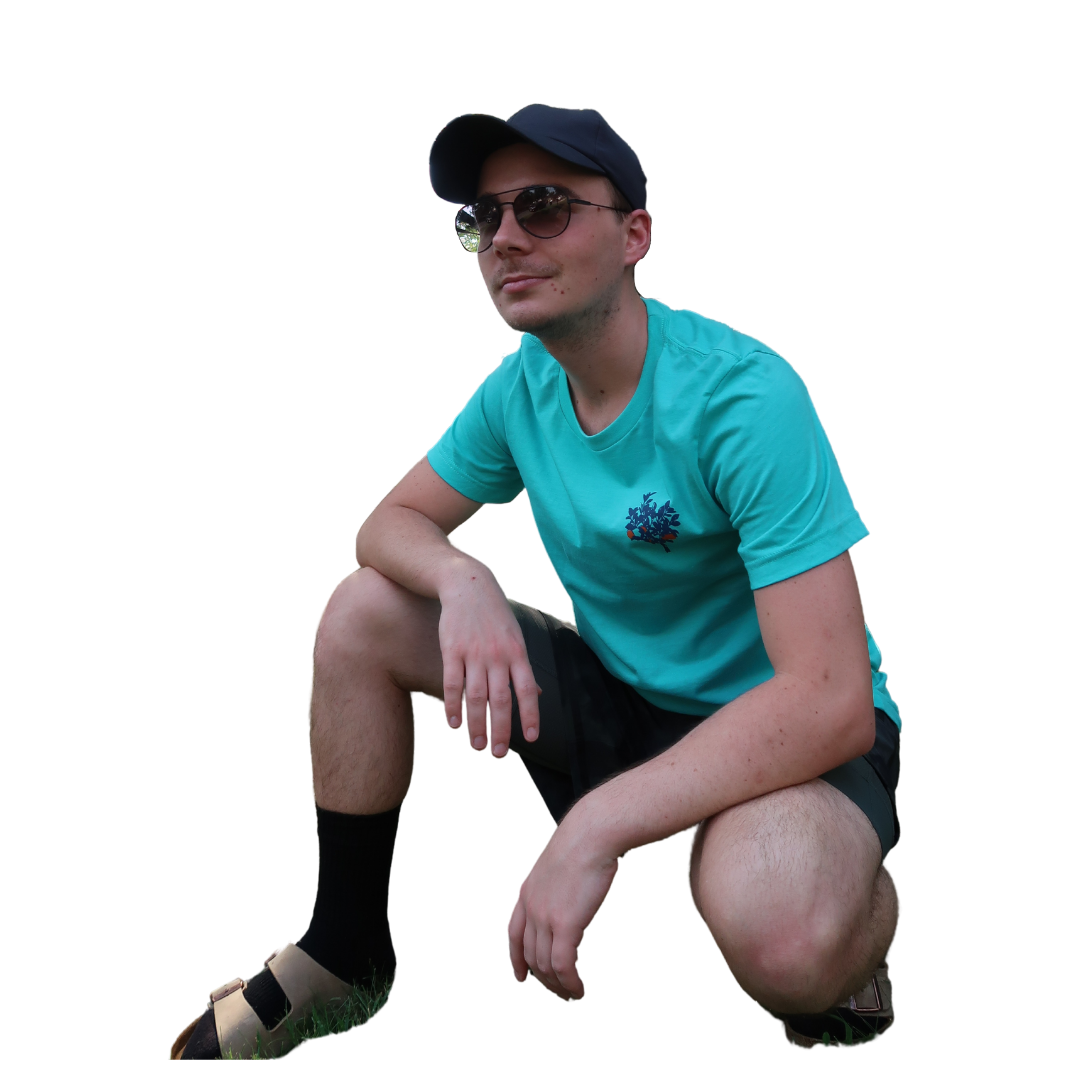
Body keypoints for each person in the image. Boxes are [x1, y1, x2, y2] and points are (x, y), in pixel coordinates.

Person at [171, 104, 902, 1059]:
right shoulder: (522, 387)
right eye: (484, 217)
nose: (506, 238)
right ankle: (344, 951)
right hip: (625, 700)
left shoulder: (743, 398)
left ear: (634, 235)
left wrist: (594, 826)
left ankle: (852, 922)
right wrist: (461, 575)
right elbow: (386, 526)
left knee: (791, 945)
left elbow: (831, 700)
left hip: (788, 734)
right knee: (363, 613)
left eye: (546, 207)